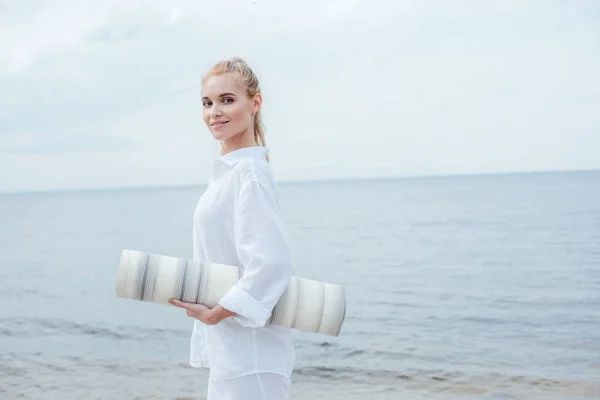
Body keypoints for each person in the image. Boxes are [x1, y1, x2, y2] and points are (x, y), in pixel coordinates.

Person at [168, 57, 296, 399]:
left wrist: (216, 314)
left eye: (227, 100)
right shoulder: (232, 173)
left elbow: (272, 263)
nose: (214, 112)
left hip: (250, 357)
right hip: (235, 353)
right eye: (207, 103)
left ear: (255, 103)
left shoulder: (248, 174)